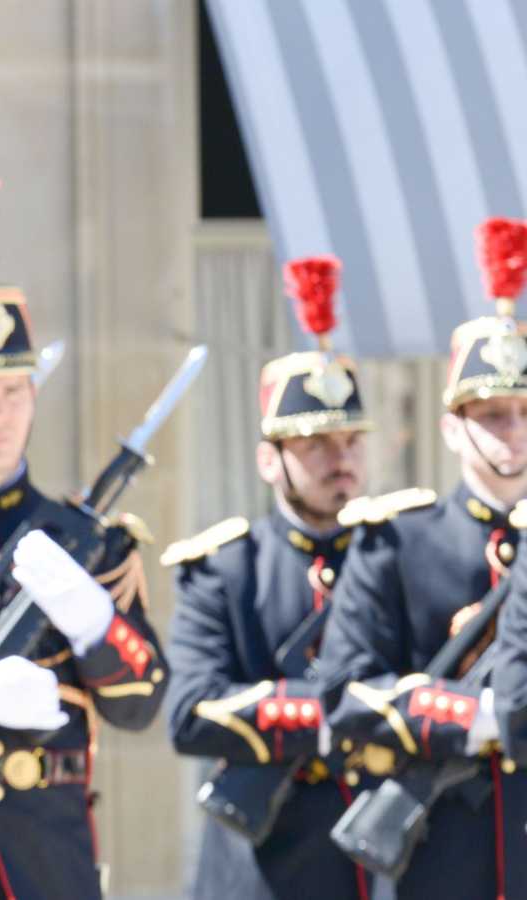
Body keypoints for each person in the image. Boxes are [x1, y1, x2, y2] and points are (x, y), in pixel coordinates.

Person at [0, 177, 167, 900]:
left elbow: (142, 702)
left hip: (50, 859)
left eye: (13, 393)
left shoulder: (89, 542)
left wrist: (92, 620)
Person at [317, 217, 527, 898]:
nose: (513, 432)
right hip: (441, 855)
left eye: (524, 411)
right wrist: (471, 717)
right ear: (452, 427)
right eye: (492, 413)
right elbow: (342, 692)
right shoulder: (397, 541)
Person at [164, 255, 371, 899]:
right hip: (262, 864)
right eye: (314, 444)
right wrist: (335, 713)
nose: (339, 460)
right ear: (269, 459)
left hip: (379, 856)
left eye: (349, 441)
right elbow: (190, 712)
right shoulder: (227, 568)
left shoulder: (397, 555)